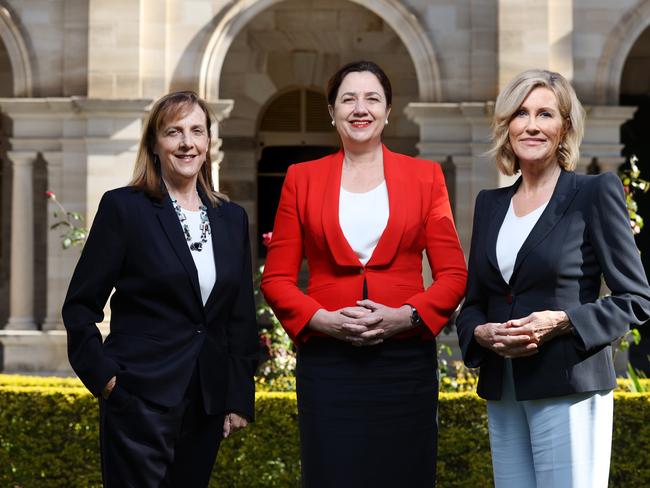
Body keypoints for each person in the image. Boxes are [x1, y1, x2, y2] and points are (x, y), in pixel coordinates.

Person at [261, 60, 467, 487]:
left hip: (405, 361)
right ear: (332, 112)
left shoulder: (425, 176)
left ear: (388, 110)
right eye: (348, 99)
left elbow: (453, 275)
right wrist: (323, 320)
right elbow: (276, 279)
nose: (361, 108)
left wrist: (405, 316)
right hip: (329, 363)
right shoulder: (302, 178)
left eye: (372, 98)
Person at [456, 69, 650, 487]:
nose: (531, 125)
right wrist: (482, 333)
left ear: (564, 127)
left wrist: (562, 322)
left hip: (570, 385)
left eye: (545, 114)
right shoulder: (490, 204)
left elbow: (636, 298)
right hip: (503, 387)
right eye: (520, 114)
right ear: (506, 127)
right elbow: (472, 303)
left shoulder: (593, 193)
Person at [62, 91, 259, 487]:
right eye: (174, 132)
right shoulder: (125, 208)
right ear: (154, 144)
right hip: (138, 398)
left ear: (208, 143)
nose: (187, 142)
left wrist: (238, 398)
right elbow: (80, 307)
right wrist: (106, 380)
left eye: (196, 131)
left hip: (205, 403)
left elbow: (239, 317)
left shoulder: (231, 219)